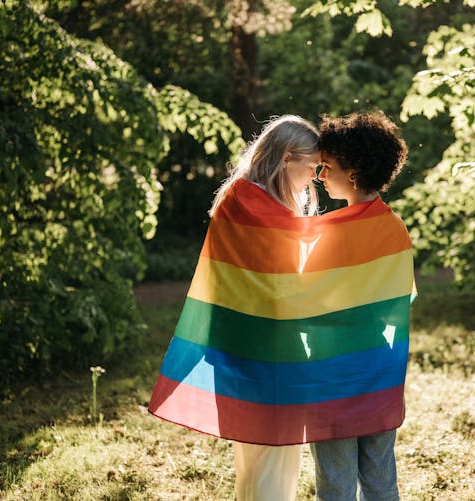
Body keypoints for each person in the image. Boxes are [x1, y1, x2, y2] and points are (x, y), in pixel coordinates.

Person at [149, 114, 321, 501]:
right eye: (312, 167)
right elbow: (286, 284)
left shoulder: (235, 197)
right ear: (287, 158)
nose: (314, 177)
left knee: (255, 459)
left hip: (232, 346)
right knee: (276, 458)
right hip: (270, 350)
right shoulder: (260, 208)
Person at [313, 110, 411, 501]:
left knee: (335, 483)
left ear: (352, 170)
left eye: (326, 167)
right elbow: (396, 309)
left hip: (332, 371)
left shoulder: (327, 234)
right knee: (381, 479)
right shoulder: (396, 228)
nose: (319, 176)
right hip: (381, 370)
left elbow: (309, 304)